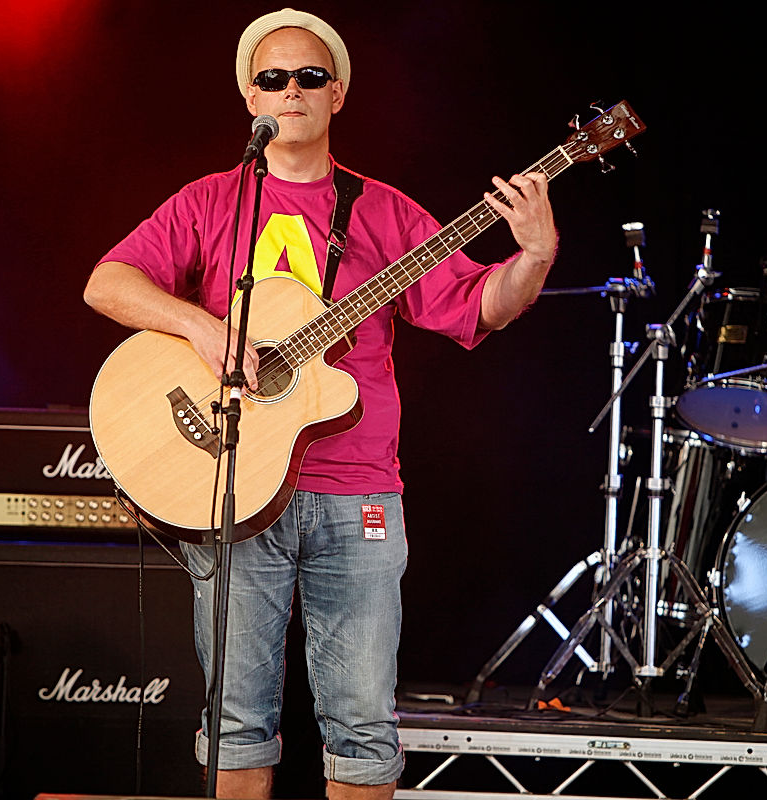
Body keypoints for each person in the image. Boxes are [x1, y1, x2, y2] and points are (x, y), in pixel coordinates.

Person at [83, 8, 556, 799]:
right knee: (235, 723)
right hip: (231, 484)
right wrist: (200, 325)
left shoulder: (387, 212)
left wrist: (534, 254)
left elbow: (480, 307)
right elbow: (108, 283)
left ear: (338, 94)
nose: (291, 90)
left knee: (363, 728)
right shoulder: (210, 200)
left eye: (310, 76)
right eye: (273, 78)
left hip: (358, 489)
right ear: (251, 100)